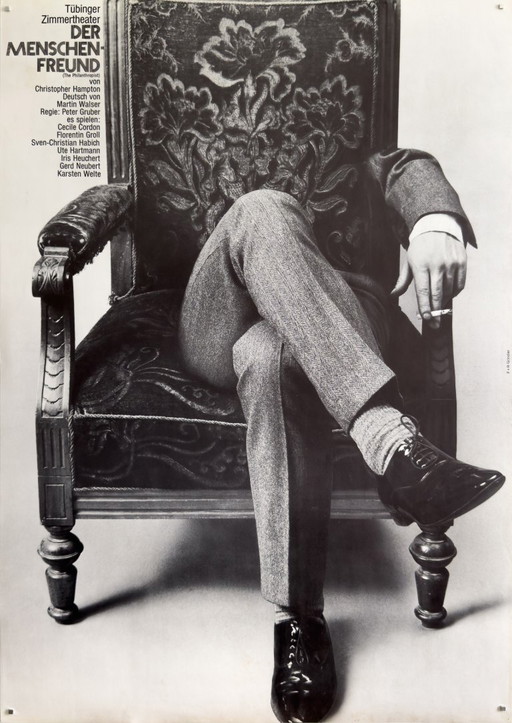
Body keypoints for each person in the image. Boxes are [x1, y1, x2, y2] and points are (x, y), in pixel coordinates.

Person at [177, 147, 505, 723]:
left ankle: (297, 619)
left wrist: (435, 221)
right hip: (222, 306)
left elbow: (405, 165)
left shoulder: (350, 119)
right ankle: (390, 442)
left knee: (272, 357)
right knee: (261, 209)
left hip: (343, 308)